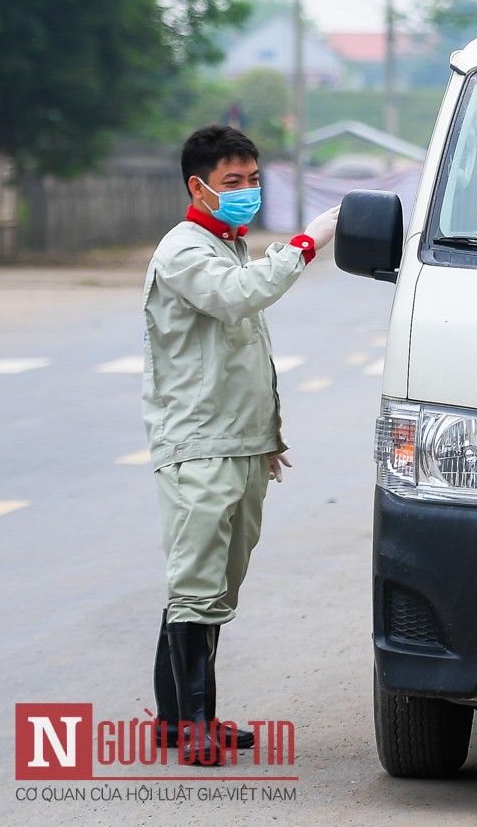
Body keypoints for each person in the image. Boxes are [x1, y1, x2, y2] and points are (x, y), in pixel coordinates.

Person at [143, 126, 340, 765]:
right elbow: (236, 302)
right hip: (199, 443)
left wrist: (265, 440)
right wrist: (307, 243)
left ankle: (179, 721)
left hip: (239, 442)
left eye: (254, 180)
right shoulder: (184, 252)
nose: (247, 193)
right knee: (196, 583)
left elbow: (243, 359)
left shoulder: (225, 246)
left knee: (215, 585)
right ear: (196, 186)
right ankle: (194, 725)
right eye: (234, 182)